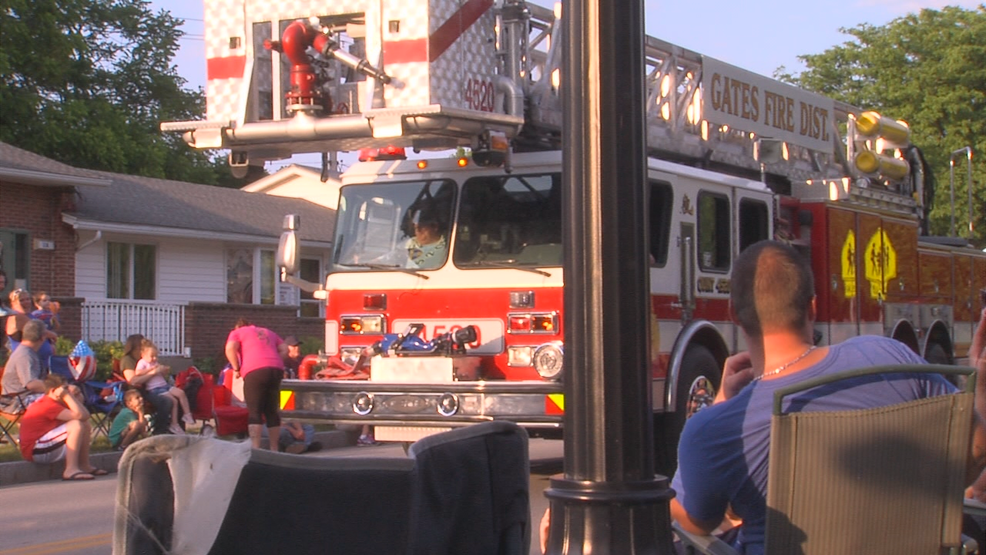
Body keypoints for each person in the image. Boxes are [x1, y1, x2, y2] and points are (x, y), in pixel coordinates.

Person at [669, 241, 986, 554]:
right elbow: (976, 445)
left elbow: (696, 523)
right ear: (813, 307)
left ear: (734, 315)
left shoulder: (718, 428)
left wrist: (722, 404)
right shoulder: (889, 355)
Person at [18, 374, 108, 480]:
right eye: (64, 388)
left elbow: (85, 416)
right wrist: (67, 396)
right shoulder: (47, 404)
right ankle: (70, 469)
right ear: (53, 391)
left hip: (43, 445)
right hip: (35, 450)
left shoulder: (55, 402)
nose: (67, 391)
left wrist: (76, 396)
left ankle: (84, 465)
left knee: (85, 425)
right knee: (76, 425)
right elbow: (80, 416)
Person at [225, 318, 288, 451]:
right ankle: (274, 449)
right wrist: (275, 361)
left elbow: (230, 348)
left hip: (254, 370)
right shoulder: (268, 331)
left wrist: (237, 368)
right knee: (272, 410)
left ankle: (255, 449)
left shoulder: (237, 332)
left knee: (255, 411)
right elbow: (285, 349)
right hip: (276, 370)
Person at [134, 339, 194, 435]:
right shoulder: (142, 363)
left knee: (181, 393)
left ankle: (187, 414)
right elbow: (138, 373)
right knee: (173, 401)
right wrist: (151, 369)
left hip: (164, 385)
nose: (154, 359)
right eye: (152, 356)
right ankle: (174, 424)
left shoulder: (155, 363)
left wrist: (164, 371)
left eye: (156, 356)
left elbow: (162, 374)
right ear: (143, 355)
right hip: (155, 389)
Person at [120, 333, 174, 436]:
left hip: (153, 387)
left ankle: (175, 428)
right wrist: (153, 373)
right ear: (134, 348)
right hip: (138, 392)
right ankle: (159, 431)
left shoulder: (146, 359)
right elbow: (133, 380)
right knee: (165, 401)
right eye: (140, 347)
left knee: (178, 396)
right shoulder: (128, 360)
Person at [0, 319, 48, 413]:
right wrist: (55, 388)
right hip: (16, 401)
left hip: (22, 397)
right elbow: (31, 384)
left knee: (69, 396)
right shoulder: (24, 355)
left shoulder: (28, 352)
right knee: (62, 399)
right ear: (42, 337)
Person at [4, 288, 55, 364]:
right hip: (27, 361)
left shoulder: (30, 315)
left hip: (41, 361)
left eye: (28, 299)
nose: (26, 302)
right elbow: (41, 331)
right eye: (21, 300)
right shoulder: (17, 317)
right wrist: (53, 335)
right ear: (13, 303)